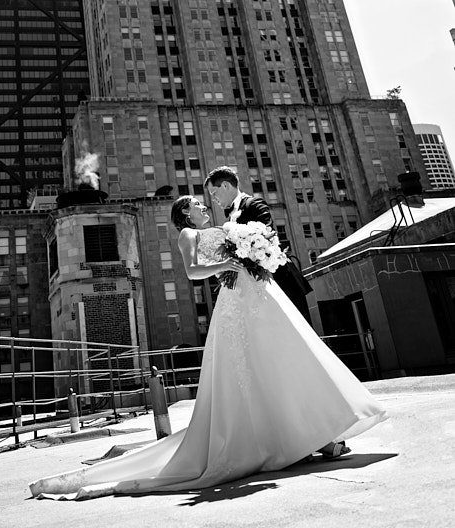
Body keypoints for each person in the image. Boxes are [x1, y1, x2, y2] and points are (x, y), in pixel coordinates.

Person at [29, 186, 387, 500]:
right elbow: (192, 271)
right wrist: (226, 265)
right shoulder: (188, 234)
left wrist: (255, 253)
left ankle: (312, 434)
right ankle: (300, 439)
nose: (204, 206)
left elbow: (242, 255)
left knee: (280, 362)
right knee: (252, 372)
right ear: (186, 212)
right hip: (234, 303)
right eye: (198, 204)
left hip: (254, 293)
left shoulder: (223, 228)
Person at [204, 164, 313, 320]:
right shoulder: (230, 216)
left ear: (226, 185)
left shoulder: (254, 204)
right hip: (256, 285)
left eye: (214, 193)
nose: (213, 199)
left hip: (279, 279)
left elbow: (268, 235)